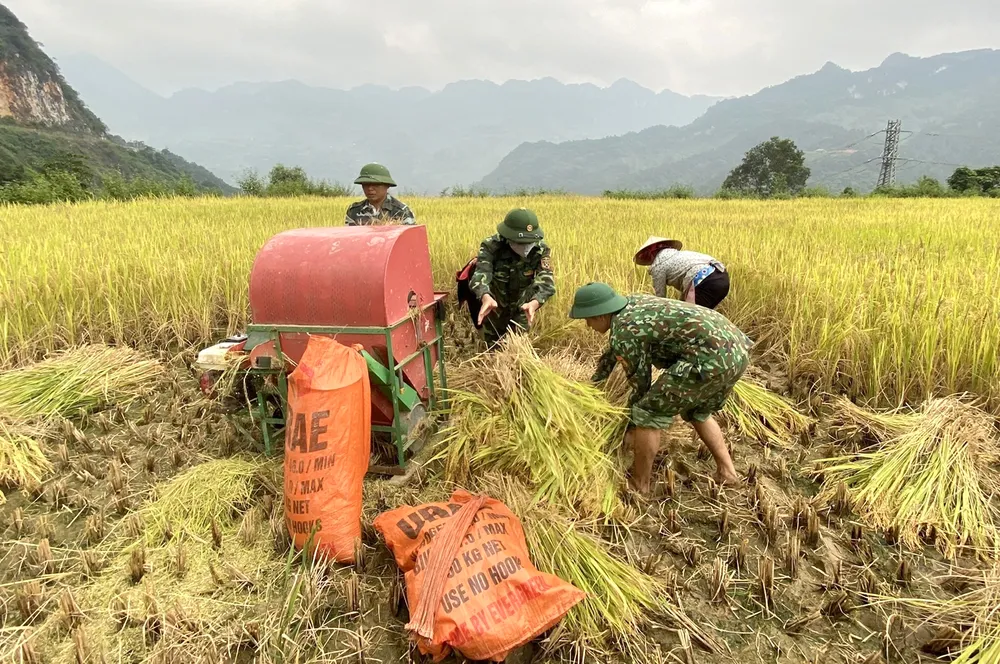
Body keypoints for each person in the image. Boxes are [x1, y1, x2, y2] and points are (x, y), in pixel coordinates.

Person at [570, 282, 752, 493]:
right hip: (736, 351)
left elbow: (641, 384)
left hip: (708, 359)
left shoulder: (624, 330)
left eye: (588, 319)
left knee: (647, 412)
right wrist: (594, 384)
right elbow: (614, 351)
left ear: (601, 315)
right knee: (697, 411)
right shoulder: (632, 304)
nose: (588, 325)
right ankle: (727, 472)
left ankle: (640, 484)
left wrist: (631, 425)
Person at [467, 208, 555, 347]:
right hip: (495, 305)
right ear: (508, 238)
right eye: (521, 243)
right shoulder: (491, 246)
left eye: (529, 242)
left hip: (523, 305)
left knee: (518, 346)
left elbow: (546, 281)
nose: (526, 247)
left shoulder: (541, 250)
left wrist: (535, 302)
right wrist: (485, 296)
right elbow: (481, 274)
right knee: (492, 346)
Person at [633, 237, 729, 309]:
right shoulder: (677, 255)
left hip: (703, 280)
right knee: (706, 317)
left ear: (650, 255)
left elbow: (660, 299)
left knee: (690, 318)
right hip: (722, 277)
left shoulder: (657, 266)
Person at [345, 163, 415, 226]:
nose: (370, 188)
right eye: (366, 184)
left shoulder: (401, 211)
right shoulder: (354, 210)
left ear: (387, 185)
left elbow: (410, 235)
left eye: (375, 184)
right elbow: (349, 235)